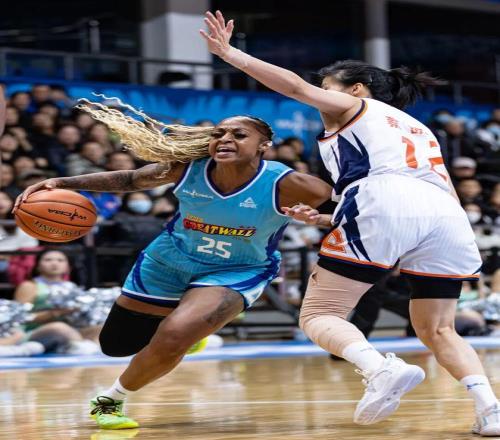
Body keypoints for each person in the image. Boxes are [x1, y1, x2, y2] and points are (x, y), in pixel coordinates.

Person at [200, 10, 499, 435]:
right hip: (446, 215)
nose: (322, 98)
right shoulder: (419, 129)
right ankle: (490, 410)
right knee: (439, 328)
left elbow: (295, 87)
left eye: (328, 89)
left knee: (319, 314)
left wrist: (231, 55)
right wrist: (331, 216)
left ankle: (380, 368)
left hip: (386, 199)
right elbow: (419, 199)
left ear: (356, 89)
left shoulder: (360, 106)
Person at [15, 104, 333, 430]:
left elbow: (350, 210)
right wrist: (61, 183)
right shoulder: (187, 168)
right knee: (116, 345)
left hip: (237, 268)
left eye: (239, 135)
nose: (225, 139)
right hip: (169, 259)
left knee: (175, 335)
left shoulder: (293, 184)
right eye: (219, 133)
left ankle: (110, 400)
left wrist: (321, 219)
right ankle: (193, 334)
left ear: (264, 145)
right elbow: (130, 179)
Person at [14, 249, 101, 353]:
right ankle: (82, 349)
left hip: (70, 330)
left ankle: (92, 351)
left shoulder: (71, 286)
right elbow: (20, 318)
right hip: (34, 331)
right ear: (38, 266)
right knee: (60, 328)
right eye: (48, 260)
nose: (54, 263)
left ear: (68, 267)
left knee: (101, 328)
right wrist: (57, 313)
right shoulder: (29, 286)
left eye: (60, 260)